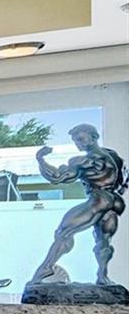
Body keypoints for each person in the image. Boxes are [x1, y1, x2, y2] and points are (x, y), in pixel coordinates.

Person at [29, 123, 126, 287]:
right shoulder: (112, 156)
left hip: (98, 200)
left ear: (94, 138)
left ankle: (45, 269)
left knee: (63, 232)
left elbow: (57, 177)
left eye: (80, 139)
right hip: (113, 202)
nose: (77, 144)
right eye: (75, 140)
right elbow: (124, 179)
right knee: (103, 241)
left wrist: (40, 159)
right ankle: (102, 277)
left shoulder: (82, 161)